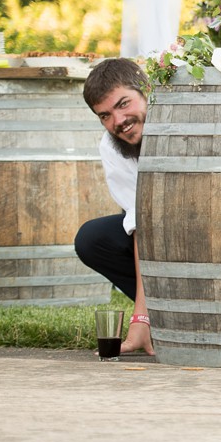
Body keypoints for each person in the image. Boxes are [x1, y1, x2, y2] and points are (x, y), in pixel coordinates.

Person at [74, 58, 155, 355]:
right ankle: (166, 315)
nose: (118, 121)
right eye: (105, 115)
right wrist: (141, 318)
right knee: (93, 239)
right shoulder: (111, 147)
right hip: (157, 230)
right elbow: (143, 226)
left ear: (146, 90)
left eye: (124, 104)